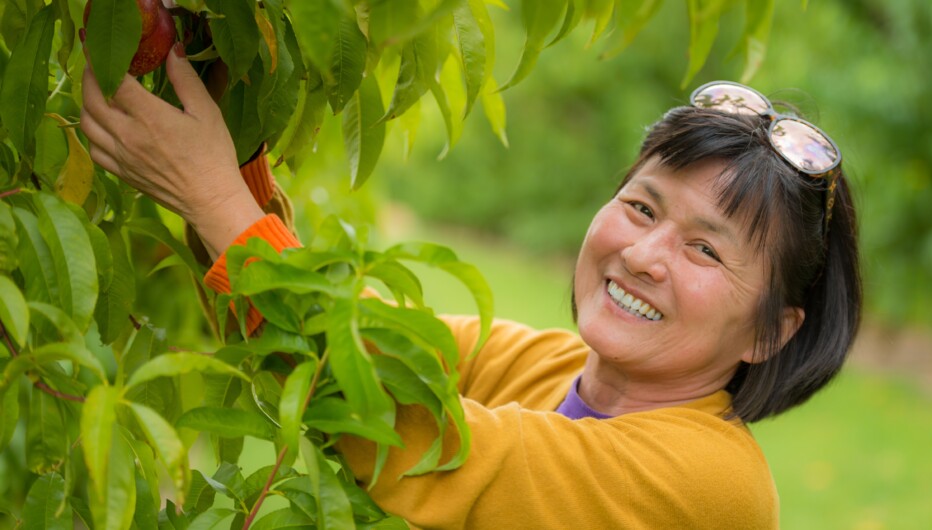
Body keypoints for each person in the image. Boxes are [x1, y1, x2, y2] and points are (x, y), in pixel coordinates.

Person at [80, 44, 861, 528]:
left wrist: (217, 202)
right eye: (640, 206)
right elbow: (350, 347)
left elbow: (425, 443)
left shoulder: (711, 487)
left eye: (704, 249)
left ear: (772, 330)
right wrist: (233, 158)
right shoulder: (546, 366)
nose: (645, 255)